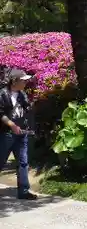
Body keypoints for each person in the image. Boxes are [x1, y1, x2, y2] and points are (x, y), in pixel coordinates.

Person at [0, 69, 37, 200]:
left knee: (23, 162)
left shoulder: (22, 95)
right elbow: (1, 114)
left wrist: (28, 126)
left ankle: (24, 192)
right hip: (6, 134)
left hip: (21, 134)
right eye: (23, 80)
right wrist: (12, 125)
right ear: (15, 81)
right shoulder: (3, 94)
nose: (26, 82)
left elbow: (27, 111)